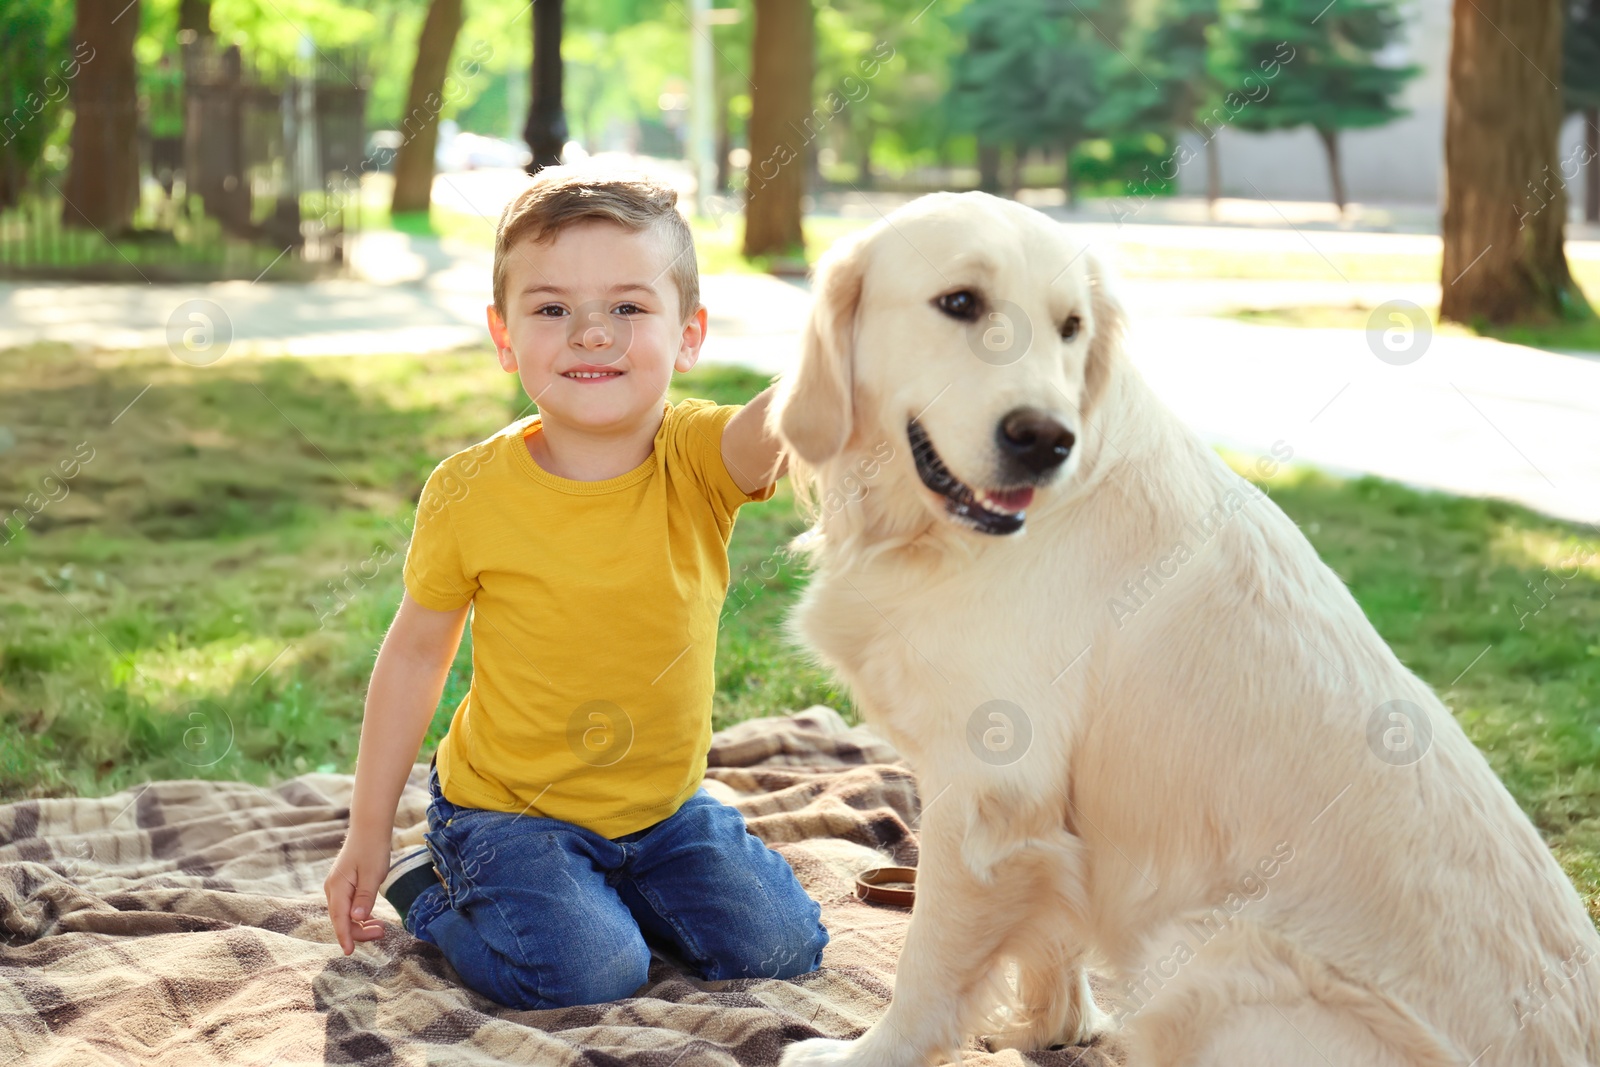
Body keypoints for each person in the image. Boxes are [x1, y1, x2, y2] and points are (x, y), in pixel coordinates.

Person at [322, 165, 828, 1010]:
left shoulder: (697, 457)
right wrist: (365, 832)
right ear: (504, 334)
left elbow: (782, 425)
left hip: (662, 810)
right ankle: (439, 893)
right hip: (508, 812)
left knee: (783, 947)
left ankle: (605, 896)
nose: (593, 334)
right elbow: (414, 656)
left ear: (690, 333)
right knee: (589, 973)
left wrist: (855, 335)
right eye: (553, 309)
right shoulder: (468, 491)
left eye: (629, 308)